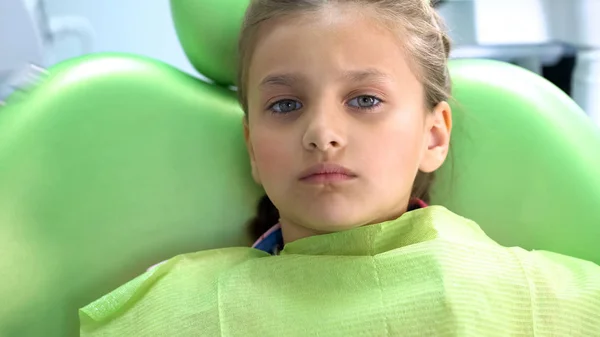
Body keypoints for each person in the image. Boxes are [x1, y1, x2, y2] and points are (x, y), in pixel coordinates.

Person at [79, 0, 600, 335]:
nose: (321, 132)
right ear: (253, 148)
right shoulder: (171, 317)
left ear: (434, 135)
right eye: (285, 105)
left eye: (365, 100)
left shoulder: (543, 300)